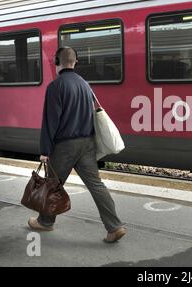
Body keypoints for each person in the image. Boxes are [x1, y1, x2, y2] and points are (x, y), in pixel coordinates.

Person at [27, 46, 126, 243]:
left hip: (65, 146)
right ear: (76, 62)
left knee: (52, 184)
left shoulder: (56, 87)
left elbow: (50, 121)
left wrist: (45, 150)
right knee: (96, 184)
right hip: (87, 144)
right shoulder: (85, 85)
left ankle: (45, 222)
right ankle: (114, 226)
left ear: (57, 62)